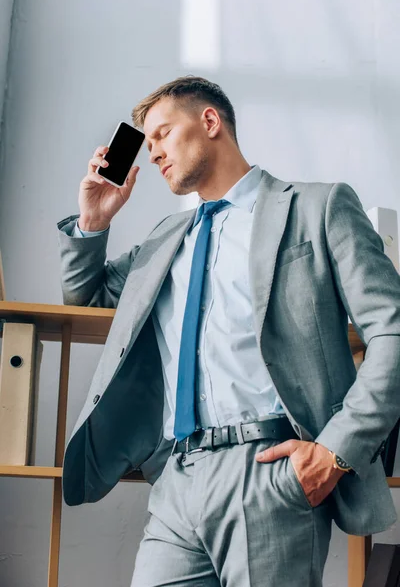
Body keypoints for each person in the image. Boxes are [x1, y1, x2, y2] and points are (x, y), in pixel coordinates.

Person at [57, 76, 400, 587]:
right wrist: (94, 221)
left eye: (161, 135)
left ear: (210, 122)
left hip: (269, 469)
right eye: (146, 143)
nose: (151, 154)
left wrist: (335, 451)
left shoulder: (316, 207)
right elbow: (85, 298)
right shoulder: (164, 240)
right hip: (176, 477)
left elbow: (392, 331)